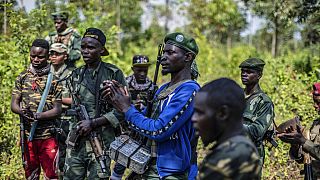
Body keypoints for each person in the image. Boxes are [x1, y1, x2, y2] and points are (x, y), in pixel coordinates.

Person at [103, 32, 200, 179]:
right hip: (148, 164)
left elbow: (158, 130)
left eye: (170, 52)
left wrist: (127, 109)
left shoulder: (189, 90)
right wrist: (119, 100)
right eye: (163, 52)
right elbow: (144, 120)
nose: (163, 57)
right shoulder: (163, 89)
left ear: (188, 57)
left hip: (169, 172)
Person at [63, 28, 127, 179]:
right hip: (77, 141)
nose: (85, 51)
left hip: (101, 142)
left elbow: (123, 110)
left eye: (91, 47)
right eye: (83, 47)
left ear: (101, 50)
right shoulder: (75, 74)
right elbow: (67, 101)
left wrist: (92, 123)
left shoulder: (113, 73)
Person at [11, 39, 62, 179]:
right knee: (31, 175)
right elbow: (14, 104)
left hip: (48, 136)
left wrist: (37, 116)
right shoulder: (22, 77)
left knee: (52, 175)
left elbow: (57, 110)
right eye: (33, 56)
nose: (36, 59)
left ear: (48, 57)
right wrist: (21, 111)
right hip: (28, 136)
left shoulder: (54, 80)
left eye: (40, 56)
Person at [192, 78, 260, 179]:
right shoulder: (242, 146)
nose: (194, 118)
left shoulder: (230, 155)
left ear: (223, 113)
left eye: (200, 113)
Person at [110, 55, 154, 180]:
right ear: (133, 69)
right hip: (127, 127)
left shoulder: (151, 86)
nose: (142, 73)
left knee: (142, 159)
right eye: (139, 69)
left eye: (145, 70)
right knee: (122, 159)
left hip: (143, 127)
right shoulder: (125, 84)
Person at [239, 57, 275, 176]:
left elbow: (257, 131)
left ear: (259, 75)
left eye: (249, 72)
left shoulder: (264, 102)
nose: (244, 74)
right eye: (243, 71)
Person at [278, 82, 320, 178]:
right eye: (314, 102)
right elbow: (302, 159)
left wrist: (303, 141)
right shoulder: (315, 125)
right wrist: (295, 145)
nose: (315, 106)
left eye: (318, 102)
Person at [49, 42, 74, 177]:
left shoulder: (72, 74)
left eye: (57, 54)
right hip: (48, 119)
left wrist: (56, 99)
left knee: (66, 154)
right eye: (51, 53)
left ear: (65, 56)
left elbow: (76, 100)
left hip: (66, 120)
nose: (53, 56)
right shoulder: (45, 72)